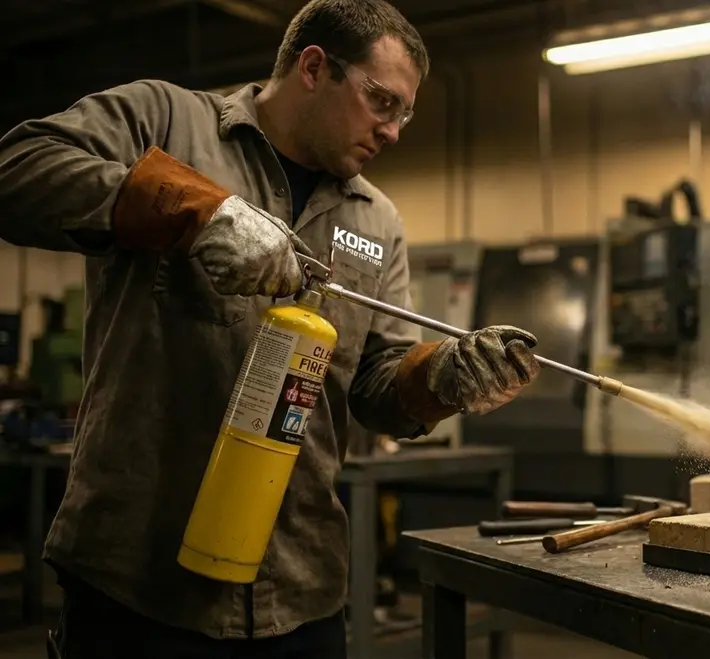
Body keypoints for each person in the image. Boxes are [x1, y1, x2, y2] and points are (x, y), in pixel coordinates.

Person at [0, 1, 540, 656]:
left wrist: (441, 376)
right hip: (138, 581)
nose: (394, 131)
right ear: (314, 67)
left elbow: (375, 384)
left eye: (405, 113)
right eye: (381, 102)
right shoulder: (165, 122)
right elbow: (19, 167)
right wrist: (195, 212)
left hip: (301, 590)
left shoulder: (377, 221)